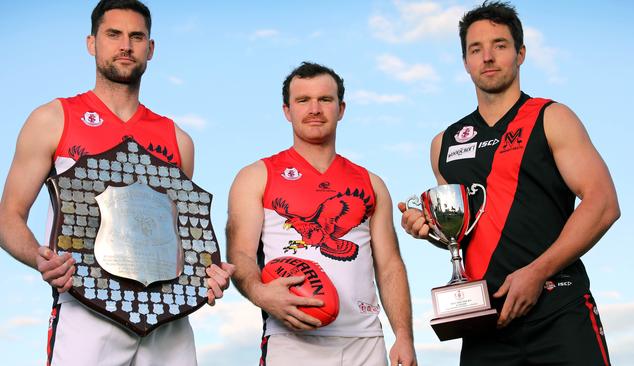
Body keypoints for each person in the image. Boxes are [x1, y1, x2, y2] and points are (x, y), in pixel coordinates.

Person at [0, 1, 234, 365]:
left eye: (136, 36)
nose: (126, 45)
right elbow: (8, 217)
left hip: (166, 315)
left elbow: (184, 235)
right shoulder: (54, 118)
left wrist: (209, 273)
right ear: (92, 43)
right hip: (86, 302)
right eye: (114, 34)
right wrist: (40, 258)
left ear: (150, 49)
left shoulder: (178, 139)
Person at [399, 1, 620, 365]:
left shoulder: (552, 117)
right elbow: (466, 233)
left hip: (558, 308)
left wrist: (537, 272)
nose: (487, 57)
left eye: (499, 45)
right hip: (485, 322)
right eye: (475, 49)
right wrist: (431, 230)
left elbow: (603, 204)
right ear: (465, 61)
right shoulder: (445, 143)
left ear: (520, 54)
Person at [227, 62, 417, 366]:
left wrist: (404, 336)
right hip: (292, 338)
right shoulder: (257, 175)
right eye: (303, 100)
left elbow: (390, 265)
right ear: (287, 111)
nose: (314, 109)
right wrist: (262, 295)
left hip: (365, 341)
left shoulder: (371, 182)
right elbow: (240, 254)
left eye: (325, 100)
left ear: (341, 109)